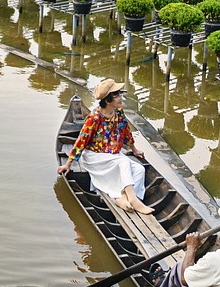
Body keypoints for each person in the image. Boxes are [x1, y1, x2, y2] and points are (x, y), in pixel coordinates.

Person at [57, 79, 152, 214]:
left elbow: (126, 132)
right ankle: (134, 200)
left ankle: (122, 198)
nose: (120, 97)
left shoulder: (118, 112)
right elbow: (81, 141)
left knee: (139, 170)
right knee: (124, 161)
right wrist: (68, 164)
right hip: (95, 157)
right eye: (117, 95)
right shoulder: (94, 118)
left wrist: (134, 150)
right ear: (107, 101)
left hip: (113, 156)